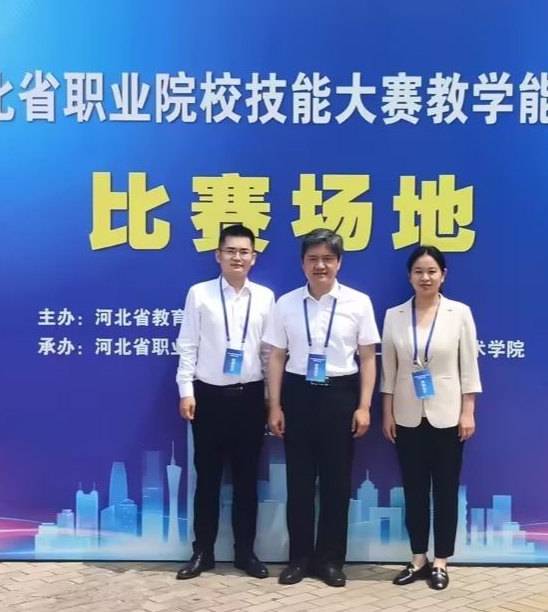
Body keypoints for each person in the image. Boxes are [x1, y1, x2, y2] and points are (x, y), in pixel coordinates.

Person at [263, 228, 380, 587]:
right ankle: (299, 559)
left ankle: (330, 561)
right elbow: (276, 356)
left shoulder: (358, 303)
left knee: (336, 483)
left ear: (339, 262)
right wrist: (275, 405)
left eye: (328, 259)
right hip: (298, 394)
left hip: (340, 395)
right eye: (313, 259)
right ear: (302, 264)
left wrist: (364, 406)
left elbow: (368, 357)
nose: (320, 265)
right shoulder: (286, 304)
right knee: (299, 484)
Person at [174, 224, 275, 580]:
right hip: (208, 397)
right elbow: (188, 344)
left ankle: (245, 553)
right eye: (230, 251)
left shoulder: (265, 297)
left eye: (244, 252)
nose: (237, 257)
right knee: (208, 480)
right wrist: (186, 390)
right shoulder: (199, 294)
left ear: (254, 258)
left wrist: (270, 398)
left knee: (247, 480)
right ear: (218, 255)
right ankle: (202, 552)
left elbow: (269, 353)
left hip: (250, 397)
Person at [381, 245, 481, 591]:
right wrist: (387, 412)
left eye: (432, 271)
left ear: (443, 275)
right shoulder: (394, 315)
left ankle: (441, 561)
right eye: (418, 271)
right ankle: (418, 558)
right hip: (406, 414)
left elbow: (469, 367)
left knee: (445, 489)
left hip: (448, 414)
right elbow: (388, 370)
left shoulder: (459, 313)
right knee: (414, 489)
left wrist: (468, 411)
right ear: (409, 276)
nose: (425, 277)